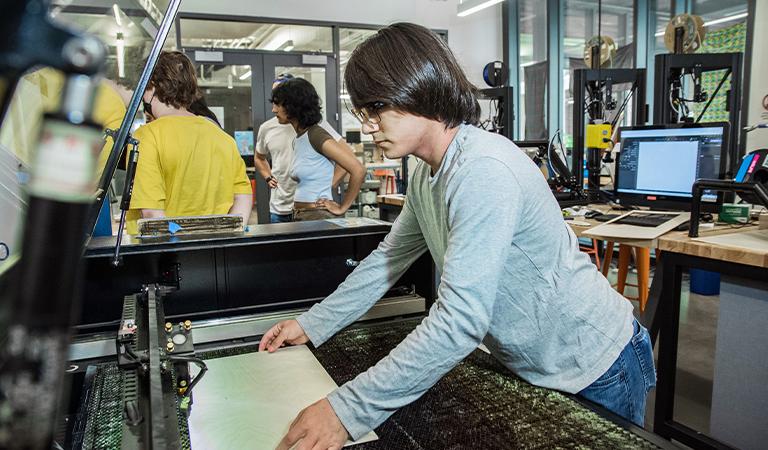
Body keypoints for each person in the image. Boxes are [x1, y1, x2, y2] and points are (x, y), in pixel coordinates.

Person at [259, 23, 656, 450]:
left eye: (378, 107)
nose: (369, 125)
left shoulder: (482, 169)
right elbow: (387, 260)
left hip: (597, 363)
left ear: (421, 89)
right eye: (363, 110)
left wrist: (346, 410)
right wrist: (312, 323)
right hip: (535, 363)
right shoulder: (429, 174)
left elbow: (461, 320)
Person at [126, 51, 252, 234]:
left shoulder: (146, 137)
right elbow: (243, 197)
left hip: (165, 257)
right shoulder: (223, 138)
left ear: (151, 86)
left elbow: (152, 213)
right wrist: (226, 237)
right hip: (215, 253)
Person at [254, 74, 357, 223]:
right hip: (283, 207)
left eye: (278, 102)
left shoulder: (316, 130)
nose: (274, 109)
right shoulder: (288, 133)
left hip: (314, 211)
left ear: (291, 103)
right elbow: (259, 157)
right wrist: (268, 176)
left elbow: (353, 163)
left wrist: (329, 186)